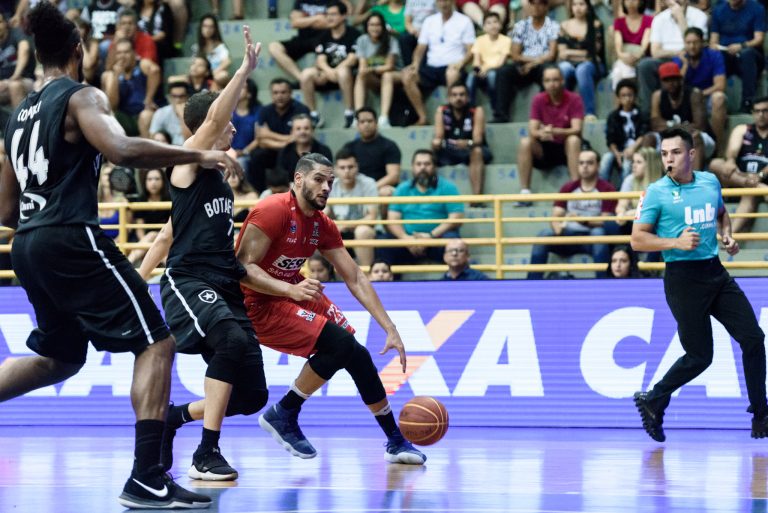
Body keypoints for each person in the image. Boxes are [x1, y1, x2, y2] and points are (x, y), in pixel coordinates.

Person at [0, 2, 240, 508]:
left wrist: (41, 232)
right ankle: (146, 476)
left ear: (38, 55)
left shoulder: (17, 115)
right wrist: (198, 152)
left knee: (59, 360)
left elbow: (5, 207)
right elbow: (122, 149)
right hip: (69, 235)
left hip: (26, 243)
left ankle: (148, 475)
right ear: (79, 50)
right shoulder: (80, 95)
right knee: (156, 343)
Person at [234, 152, 426, 465]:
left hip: (291, 289)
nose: (326, 187)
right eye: (319, 180)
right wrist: (289, 289)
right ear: (298, 180)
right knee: (340, 344)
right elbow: (242, 268)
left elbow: (355, 277)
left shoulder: (320, 224)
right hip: (254, 303)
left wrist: (390, 328)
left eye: (330, 182)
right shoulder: (273, 209)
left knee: (356, 354)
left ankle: (395, 441)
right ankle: (284, 412)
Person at [137, 27, 268, 481]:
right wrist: (243, 71)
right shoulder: (184, 163)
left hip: (223, 282)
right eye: (227, 122)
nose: (233, 126)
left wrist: (136, 278)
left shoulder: (214, 179)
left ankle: (173, 419)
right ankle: (206, 454)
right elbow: (213, 120)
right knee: (229, 341)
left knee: (252, 395)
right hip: (189, 279)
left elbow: (166, 235)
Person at [631, 127, 768, 442]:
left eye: (675, 152)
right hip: (683, 280)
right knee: (700, 356)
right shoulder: (655, 192)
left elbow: (721, 214)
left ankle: (761, 414)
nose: (669, 159)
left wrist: (727, 235)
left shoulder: (709, 182)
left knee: (753, 338)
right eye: (664, 154)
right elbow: (637, 240)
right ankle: (654, 398)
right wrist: (675, 242)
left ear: (691, 154)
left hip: (715, 273)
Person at [527, 149, 617, 279]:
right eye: (581, 163)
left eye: (589, 163)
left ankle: (603, 282)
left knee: (599, 233)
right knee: (544, 235)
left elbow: (606, 221)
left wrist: (583, 220)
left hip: (591, 237)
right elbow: (556, 216)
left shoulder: (607, 189)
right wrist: (557, 227)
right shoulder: (568, 188)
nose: (585, 166)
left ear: (598, 165)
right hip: (569, 236)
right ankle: (532, 283)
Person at [376, 149, 464, 265]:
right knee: (383, 242)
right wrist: (406, 239)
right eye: (418, 164)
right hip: (408, 242)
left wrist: (430, 236)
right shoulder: (402, 189)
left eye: (427, 164)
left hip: (437, 240)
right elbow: (393, 219)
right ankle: (387, 276)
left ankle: (453, 276)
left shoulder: (448, 187)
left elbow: (456, 217)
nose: (422, 167)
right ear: (413, 167)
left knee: (453, 242)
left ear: (434, 167)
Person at [516, 65, 584, 204]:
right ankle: (525, 192)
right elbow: (533, 130)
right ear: (543, 83)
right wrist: (543, 133)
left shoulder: (574, 99)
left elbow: (577, 129)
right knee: (525, 142)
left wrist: (556, 132)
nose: (551, 84)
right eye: (547, 80)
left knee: (573, 140)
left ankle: (576, 189)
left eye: (555, 80)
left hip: (566, 148)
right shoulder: (538, 99)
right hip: (545, 147)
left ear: (562, 81)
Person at [402, 0, 475, 126]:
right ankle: (422, 117)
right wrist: (415, 64)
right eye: (440, 1)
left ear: (452, 1)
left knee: (452, 74)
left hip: (453, 66)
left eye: (446, 0)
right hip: (431, 67)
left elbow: (471, 50)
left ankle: (451, 117)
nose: (443, 4)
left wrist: (461, 63)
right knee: (407, 75)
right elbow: (420, 48)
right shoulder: (429, 21)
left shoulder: (464, 21)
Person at [709, 97, 768, 233]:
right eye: (757, 111)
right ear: (752, 113)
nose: (761, 115)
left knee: (750, 192)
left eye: (765, 111)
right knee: (716, 163)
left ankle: (730, 235)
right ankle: (758, 187)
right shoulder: (743, 129)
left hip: (763, 179)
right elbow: (732, 152)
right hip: (740, 177)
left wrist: (759, 176)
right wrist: (730, 161)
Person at [493, 0, 559, 123]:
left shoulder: (552, 25)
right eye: (532, 4)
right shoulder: (520, 26)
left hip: (543, 64)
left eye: (539, 3)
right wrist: (531, 62)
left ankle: (545, 116)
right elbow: (515, 54)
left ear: (546, 7)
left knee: (549, 72)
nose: (535, 7)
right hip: (525, 64)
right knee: (503, 72)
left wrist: (534, 63)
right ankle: (501, 115)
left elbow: (551, 54)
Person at [300, 0, 360, 128]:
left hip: (348, 75)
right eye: (327, 14)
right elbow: (320, 60)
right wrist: (329, 72)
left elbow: (352, 59)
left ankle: (350, 113)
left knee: (343, 71)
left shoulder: (354, 34)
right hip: (327, 74)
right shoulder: (323, 36)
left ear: (344, 16)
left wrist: (335, 71)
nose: (329, 18)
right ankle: (313, 114)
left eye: (333, 14)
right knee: (306, 74)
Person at [672, 28, 727, 157]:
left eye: (695, 42)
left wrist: (699, 94)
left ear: (703, 42)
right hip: (686, 101)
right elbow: (675, 87)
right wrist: (685, 65)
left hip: (707, 96)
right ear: (684, 43)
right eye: (688, 43)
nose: (692, 46)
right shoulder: (679, 59)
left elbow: (720, 85)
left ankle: (718, 149)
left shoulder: (714, 55)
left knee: (719, 98)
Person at [650, 61, 714, 171]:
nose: (671, 83)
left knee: (694, 137)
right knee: (648, 139)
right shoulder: (657, 96)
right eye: (666, 80)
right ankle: (651, 178)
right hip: (671, 137)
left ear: (680, 79)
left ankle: (695, 179)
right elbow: (655, 124)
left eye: (674, 79)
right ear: (661, 82)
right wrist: (679, 127)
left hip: (701, 140)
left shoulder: (694, 93)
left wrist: (669, 126)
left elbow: (700, 125)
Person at [432, 81, 493, 196]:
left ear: (468, 97)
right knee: (431, 150)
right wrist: (437, 142)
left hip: (471, 149)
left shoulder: (476, 110)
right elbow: (439, 136)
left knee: (477, 151)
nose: (458, 98)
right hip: (450, 150)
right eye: (454, 95)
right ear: (449, 98)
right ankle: (432, 193)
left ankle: (477, 198)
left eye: (461, 94)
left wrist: (468, 143)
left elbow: (478, 139)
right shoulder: (442, 110)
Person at [709, 0, 765, 114]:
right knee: (713, 56)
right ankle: (714, 105)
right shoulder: (718, 10)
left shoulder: (757, 8)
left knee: (747, 54)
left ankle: (748, 102)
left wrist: (741, 46)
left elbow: (759, 39)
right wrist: (717, 48)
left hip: (750, 54)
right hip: (726, 52)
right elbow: (713, 41)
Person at [326, 147, 378, 267]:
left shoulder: (369, 183)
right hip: (339, 230)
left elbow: (372, 218)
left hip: (363, 228)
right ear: (335, 170)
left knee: (362, 231)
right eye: (342, 168)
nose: (346, 171)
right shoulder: (330, 185)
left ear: (357, 167)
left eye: (350, 167)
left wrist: (345, 225)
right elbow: (324, 213)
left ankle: (365, 273)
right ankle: (325, 275)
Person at [556, 0, 605, 120]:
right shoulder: (564, 26)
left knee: (582, 70)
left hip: (593, 65)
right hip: (570, 64)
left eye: (581, 4)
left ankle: (589, 112)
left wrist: (570, 53)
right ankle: (562, 113)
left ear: (588, 6)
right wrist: (584, 54)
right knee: (563, 69)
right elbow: (562, 54)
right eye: (574, 4)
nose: (578, 8)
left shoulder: (595, 24)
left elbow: (594, 53)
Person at [353, 12, 403, 127]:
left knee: (387, 75)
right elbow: (362, 66)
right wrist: (368, 70)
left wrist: (371, 69)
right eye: (372, 25)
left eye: (378, 25)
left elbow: (390, 66)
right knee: (361, 75)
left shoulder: (391, 40)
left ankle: (384, 117)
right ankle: (358, 116)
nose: (375, 28)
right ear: (366, 27)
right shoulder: (362, 40)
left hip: (394, 76)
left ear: (383, 26)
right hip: (375, 78)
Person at [342, 107, 401, 196]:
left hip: (380, 188)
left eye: (370, 121)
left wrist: (370, 189)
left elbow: (393, 176)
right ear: (357, 125)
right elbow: (343, 170)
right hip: (355, 189)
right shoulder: (349, 147)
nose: (366, 124)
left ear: (376, 123)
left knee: (386, 192)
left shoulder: (389, 146)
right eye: (362, 122)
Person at [600, 78, 650, 183]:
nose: (627, 98)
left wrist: (633, 148)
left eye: (630, 95)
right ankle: (603, 187)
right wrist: (617, 153)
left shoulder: (642, 114)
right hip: (619, 150)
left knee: (627, 163)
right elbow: (610, 139)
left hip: (637, 148)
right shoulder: (613, 116)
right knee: (606, 158)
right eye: (623, 95)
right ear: (618, 98)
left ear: (635, 96)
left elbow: (643, 134)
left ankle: (624, 189)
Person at [467, 12, 511, 121]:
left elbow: (501, 62)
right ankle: (469, 111)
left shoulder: (506, 40)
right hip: (482, 71)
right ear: (484, 27)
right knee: (471, 77)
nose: (493, 25)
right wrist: (478, 70)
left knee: (492, 75)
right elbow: (476, 61)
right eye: (489, 23)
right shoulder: (479, 40)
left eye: (495, 22)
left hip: (496, 71)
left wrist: (486, 69)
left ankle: (497, 111)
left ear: (501, 25)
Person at [610, 0, 652, 91]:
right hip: (624, 57)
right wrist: (622, 55)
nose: (631, 2)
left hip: (642, 57)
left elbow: (644, 45)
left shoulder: (649, 20)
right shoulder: (619, 22)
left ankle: (626, 97)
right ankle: (624, 97)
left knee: (622, 70)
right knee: (618, 71)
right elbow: (618, 45)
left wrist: (636, 57)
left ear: (641, 2)